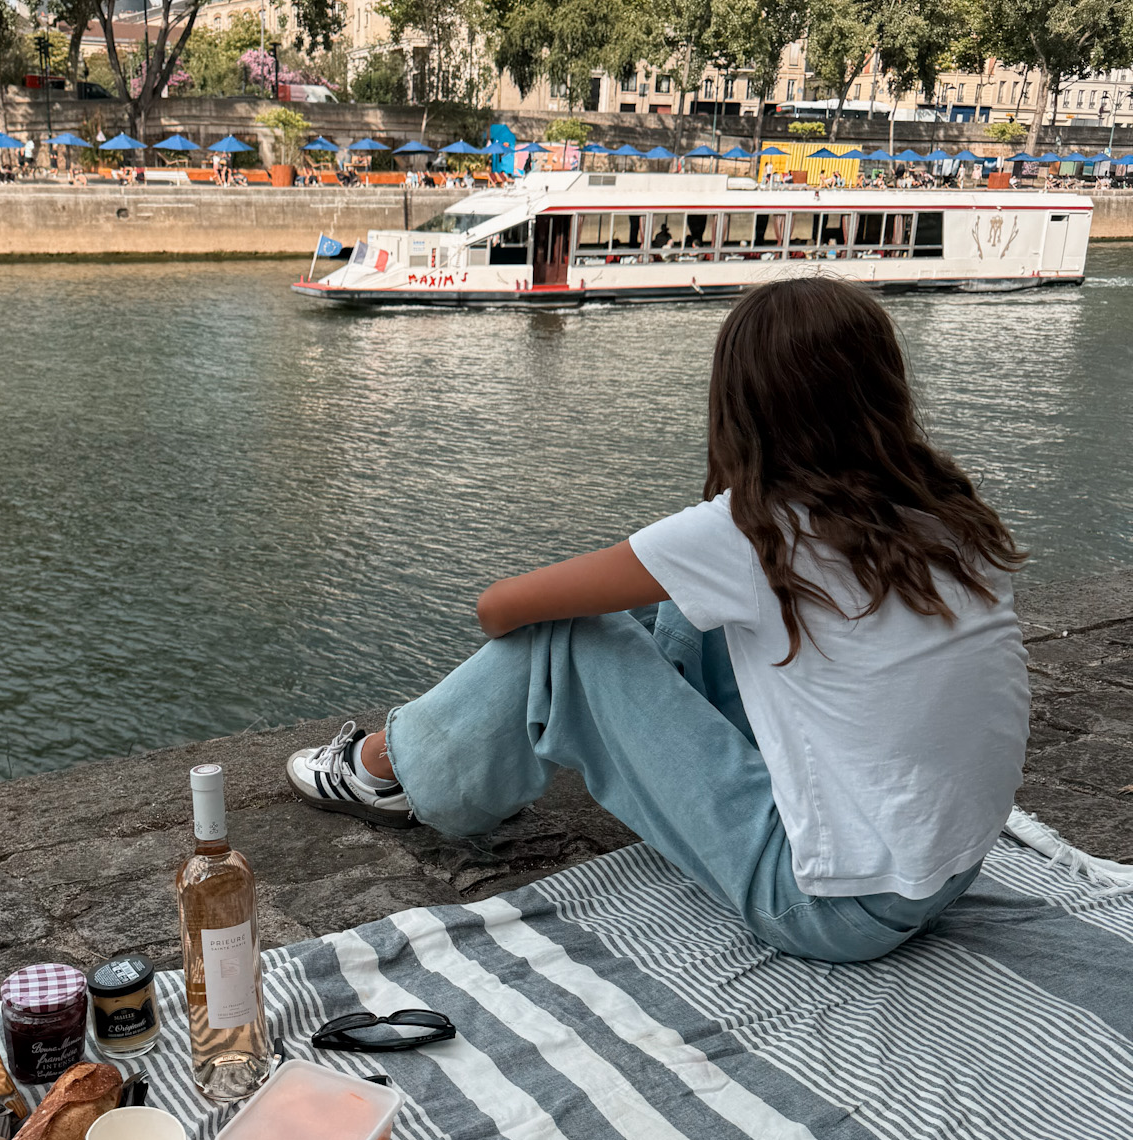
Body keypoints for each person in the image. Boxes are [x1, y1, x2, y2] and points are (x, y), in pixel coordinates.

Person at [285, 277, 1029, 967]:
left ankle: (392, 770)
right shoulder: (949, 516)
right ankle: (459, 751)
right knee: (675, 599)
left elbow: (499, 606)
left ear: (743, 404)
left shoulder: (753, 531)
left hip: (830, 907)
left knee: (570, 637)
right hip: (943, 872)